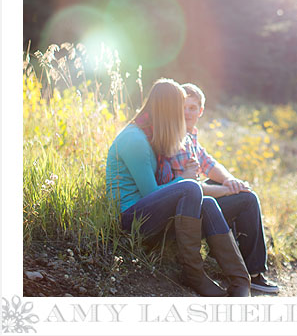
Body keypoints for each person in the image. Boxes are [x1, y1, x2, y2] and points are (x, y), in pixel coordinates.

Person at [105, 78, 251, 297]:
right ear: (167, 109)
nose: (182, 115)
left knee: (209, 203)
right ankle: (194, 274)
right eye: (178, 108)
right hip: (131, 219)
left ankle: (241, 281)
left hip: (150, 213)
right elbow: (151, 193)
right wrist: (183, 178)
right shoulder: (135, 140)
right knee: (191, 187)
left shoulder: (149, 134)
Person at [155, 83, 279, 294]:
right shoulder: (176, 139)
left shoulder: (190, 135)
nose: (187, 112)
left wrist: (230, 181)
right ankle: (253, 272)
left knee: (237, 190)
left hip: (194, 200)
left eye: (192, 108)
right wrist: (228, 190)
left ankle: (230, 258)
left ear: (200, 111)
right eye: (183, 107)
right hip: (184, 213)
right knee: (247, 200)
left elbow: (209, 164)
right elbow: (190, 188)